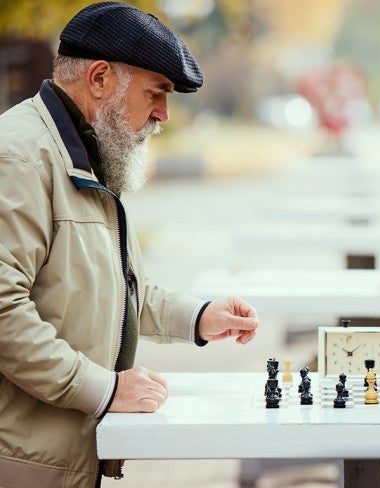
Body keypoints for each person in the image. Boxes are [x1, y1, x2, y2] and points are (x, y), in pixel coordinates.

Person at [0, 3, 260, 487]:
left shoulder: (83, 153)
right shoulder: (20, 157)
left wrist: (199, 317)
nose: (163, 114)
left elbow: (110, 295)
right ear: (99, 79)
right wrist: (105, 389)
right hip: (23, 463)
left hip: (55, 457)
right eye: (156, 92)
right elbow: (3, 314)